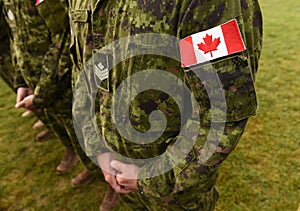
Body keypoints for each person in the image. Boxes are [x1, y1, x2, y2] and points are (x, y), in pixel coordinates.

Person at [69, 0, 263, 210]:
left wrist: (153, 179)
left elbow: (221, 111)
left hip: (174, 189)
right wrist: (97, 150)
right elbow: (82, 73)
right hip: (116, 168)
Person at [2, 0, 99, 188]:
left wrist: (42, 93)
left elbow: (64, 39)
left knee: (88, 134)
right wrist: (22, 81)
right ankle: (91, 166)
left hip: (61, 84)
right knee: (69, 133)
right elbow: (16, 39)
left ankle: (113, 183)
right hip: (39, 85)